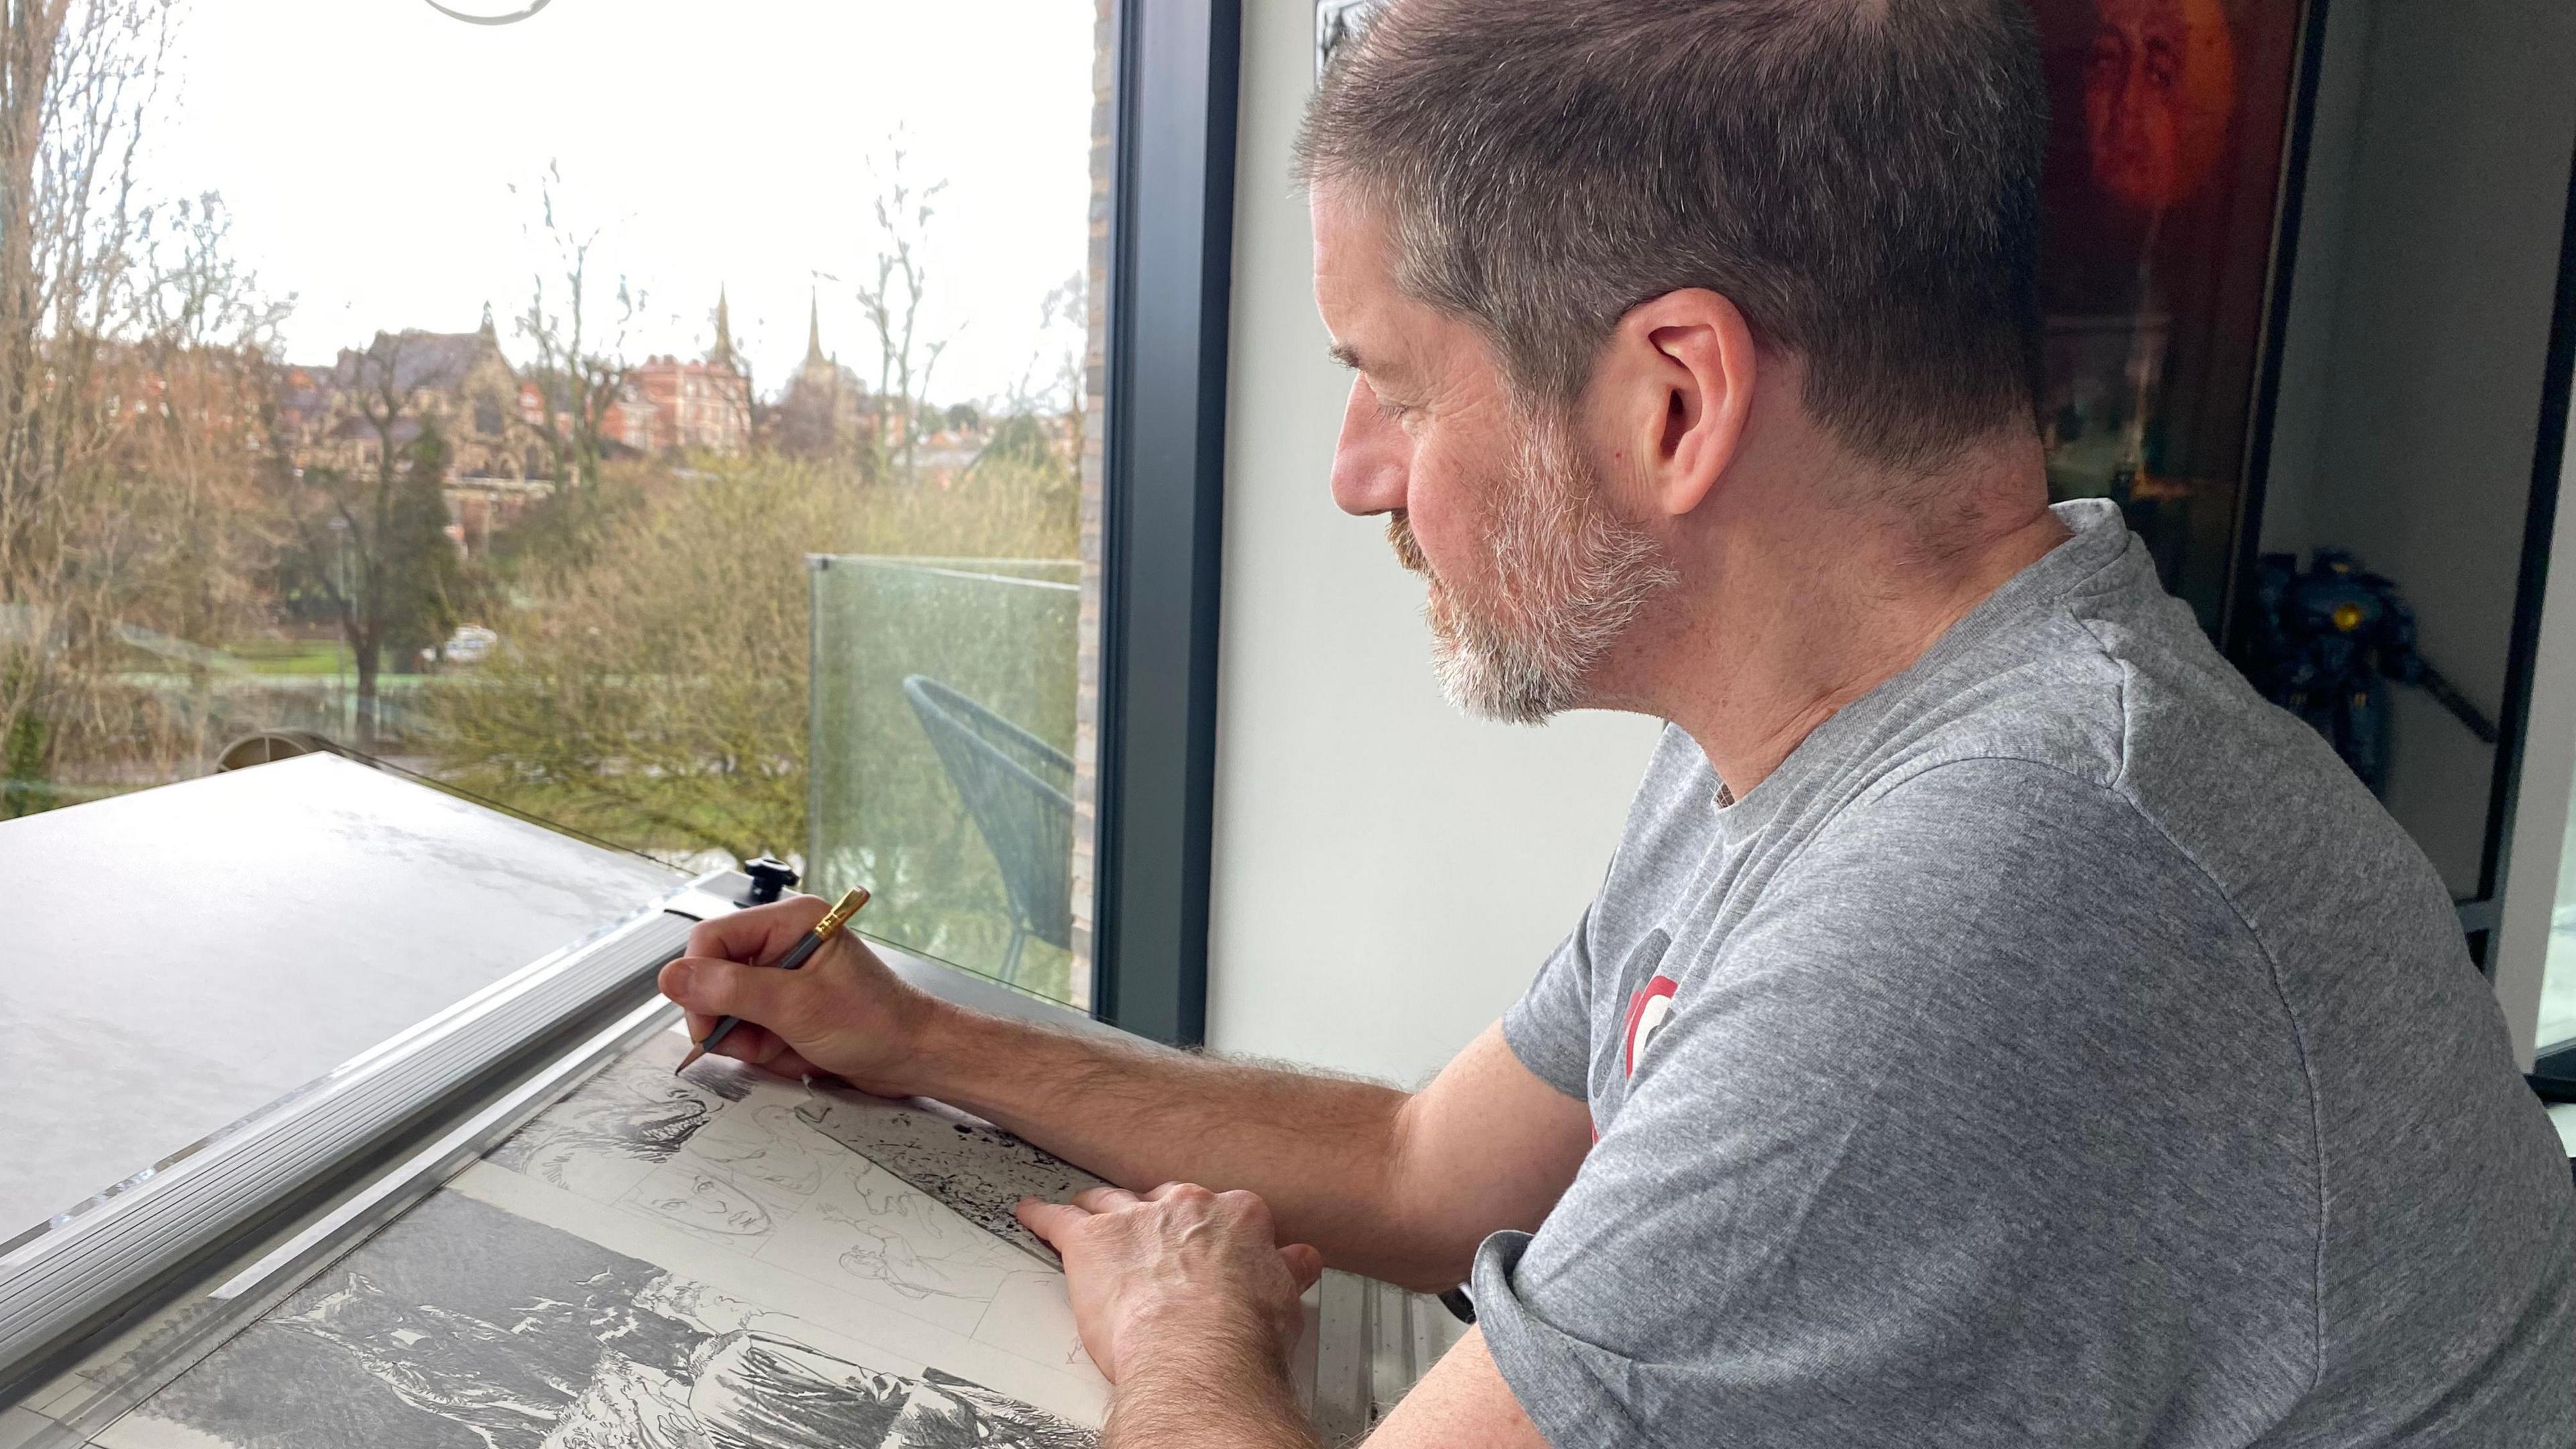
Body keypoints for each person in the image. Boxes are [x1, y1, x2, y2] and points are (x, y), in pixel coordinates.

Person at [658, 0, 2576, 1443]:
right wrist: (916, 1036)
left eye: (1396, 384)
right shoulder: (1840, 734)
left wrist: (1190, 1335)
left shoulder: (2004, 886)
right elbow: (1429, 1168)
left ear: (1673, 400)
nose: (1355, 475)